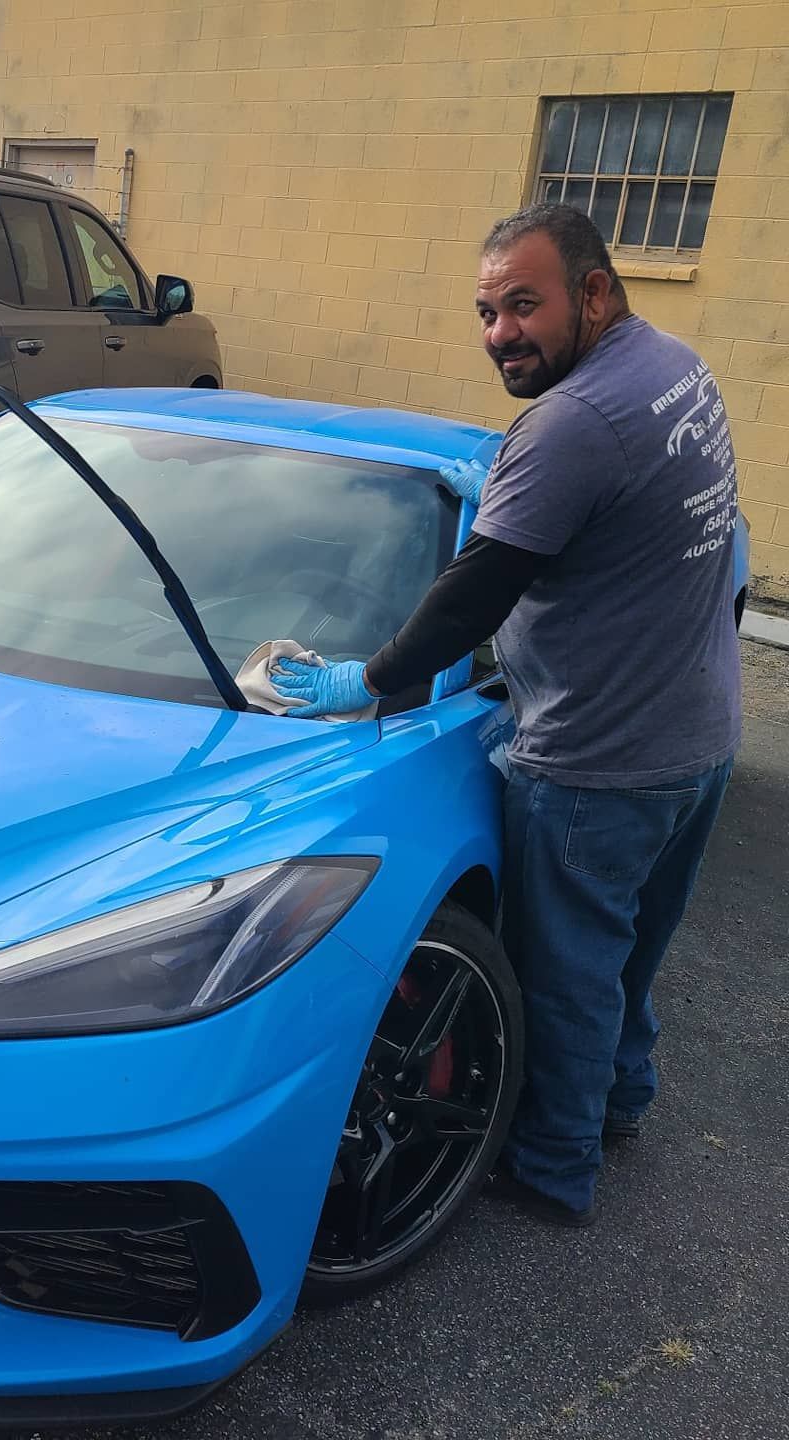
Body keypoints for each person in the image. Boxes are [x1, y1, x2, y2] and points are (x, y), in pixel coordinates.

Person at [273, 203, 742, 1227]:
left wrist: (372, 680)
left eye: (522, 306)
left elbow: (473, 596)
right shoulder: (675, 369)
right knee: (627, 949)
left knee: (566, 974)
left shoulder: (572, 427)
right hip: (695, 737)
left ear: (595, 292)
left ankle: (552, 1165)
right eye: (485, 312)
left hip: (599, 764)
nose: (500, 335)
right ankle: (622, 1101)